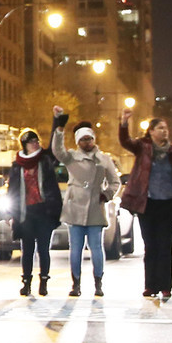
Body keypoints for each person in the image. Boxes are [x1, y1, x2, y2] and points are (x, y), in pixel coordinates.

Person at [118, 113, 172, 301]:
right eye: (160, 128)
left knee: (165, 247)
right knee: (150, 246)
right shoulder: (143, 147)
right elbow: (125, 141)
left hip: (168, 204)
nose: (164, 131)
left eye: (165, 128)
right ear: (151, 132)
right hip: (147, 205)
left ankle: (165, 286)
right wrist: (124, 123)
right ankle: (150, 285)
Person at [50, 108, 116, 298]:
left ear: (94, 139)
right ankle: (76, 284)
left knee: (96, 247)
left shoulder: (104, 159)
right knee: (76, 248)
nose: (87, 143)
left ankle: (98, 283)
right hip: (75, 206)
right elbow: (57, 150)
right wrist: (60, 129)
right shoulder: (71, 156)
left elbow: (115, 181)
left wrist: (107, 194)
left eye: (89, 139)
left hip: (95, 206)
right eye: (83, 140)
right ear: (78, 142)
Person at [12, 125, 63, 298]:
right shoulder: (17, 165)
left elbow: (53, 146)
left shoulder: (45, 160)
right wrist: (11, 212)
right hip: (26, 212)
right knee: (27, 249)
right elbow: (13, 190)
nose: (35, 144)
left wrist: (57, 121)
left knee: (43, 249)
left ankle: (44, 281)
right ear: (24, 144)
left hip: (43, 211)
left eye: (36, 141)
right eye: (31, 142)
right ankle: (26, 283)